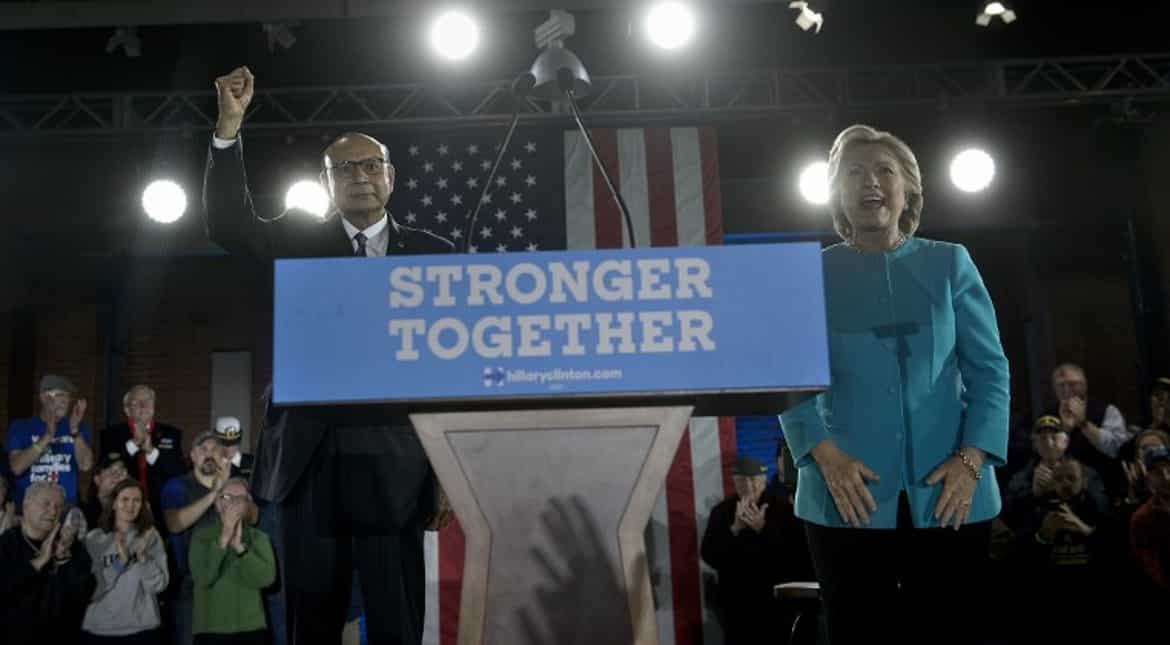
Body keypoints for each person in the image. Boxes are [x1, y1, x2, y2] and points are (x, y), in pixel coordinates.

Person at [204, 66, 453, 645]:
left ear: (391, 176)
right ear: (325, 181)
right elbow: (227, 224)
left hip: (396, 464)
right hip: (307, 464)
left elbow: (447, 371)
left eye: (371, 166)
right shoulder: (296, 238)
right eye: (344, 168)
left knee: (397, 624)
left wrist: (445, 469)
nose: (359, 177)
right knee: (310, 625)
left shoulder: (433, 254)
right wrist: (228, 129)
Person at [779, 124, 1010, 645]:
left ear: (908, 188)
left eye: (885, 170)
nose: (871, 182)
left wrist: (973, 460)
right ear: (837, 191)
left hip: (951, 488)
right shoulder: (809, 274)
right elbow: (788, 377)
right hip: (845, 493)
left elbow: (989, 370)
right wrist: (824, 455)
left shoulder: (951, 263)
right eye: (854, 172)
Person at [700, 456, 812, 644]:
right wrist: (735, 528)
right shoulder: (721, 512)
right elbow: (709, 555)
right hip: (736, 605)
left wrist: (763, 529)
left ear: (763, 480)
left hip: (776, 605)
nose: (748, 486)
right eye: (742, 481)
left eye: (753, 480)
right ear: (734, 482)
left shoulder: (782, 509)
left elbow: (796, 555)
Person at [0, 480, 97, 645]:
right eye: (46, 504)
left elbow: (85, 593)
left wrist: (64, 559)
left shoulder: (71, 545)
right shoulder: (6, 544)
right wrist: (39, 562)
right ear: (26, 505)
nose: (53, 511)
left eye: (58, 506)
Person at [189, 478, 276, 645]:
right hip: (210, 629)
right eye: (228, 497)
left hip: (252, 629)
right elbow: (203, 578)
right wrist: (223, 540)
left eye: (241, 498)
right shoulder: (201, 538)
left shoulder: (259, 538)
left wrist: (240, 548)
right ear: (217, 503)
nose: (234, 503)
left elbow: (267, 579)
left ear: (248, 504)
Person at [82, 479, 169, 644]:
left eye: (136, 500)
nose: (131, 505)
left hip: (142, 629)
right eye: (125, 499)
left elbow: (159, 585)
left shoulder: (150, 537)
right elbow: (91, 590)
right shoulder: (95, 539)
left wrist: (143, 558)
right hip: (100, 629)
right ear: (114, 503)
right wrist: (119, 563)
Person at [102, 385, 186, 531]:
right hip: (124, 508)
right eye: (136, 402)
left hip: (162, 509)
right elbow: (107, 468)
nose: (143, 405)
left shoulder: (171, 434)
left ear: (153, 406)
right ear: (127, 410)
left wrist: (150, 451)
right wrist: (134, 444)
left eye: (147, 401)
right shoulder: (110, 434)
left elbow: (178, 471)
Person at [6, 374, 95, 507]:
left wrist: (75, 431)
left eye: (68, 396)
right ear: (43, 398)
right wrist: (47, 437)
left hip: (65, 509)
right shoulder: (21, 427)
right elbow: (17, 467)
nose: (65, 401)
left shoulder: (78, 426)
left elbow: (86, 465)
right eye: (60, 395)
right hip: (29, 509)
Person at [82, 451, 131, 529]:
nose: (117, 475)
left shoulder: (136, 511)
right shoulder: (83, 513)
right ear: (97, 479)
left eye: (121, 471)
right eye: (110, 471)